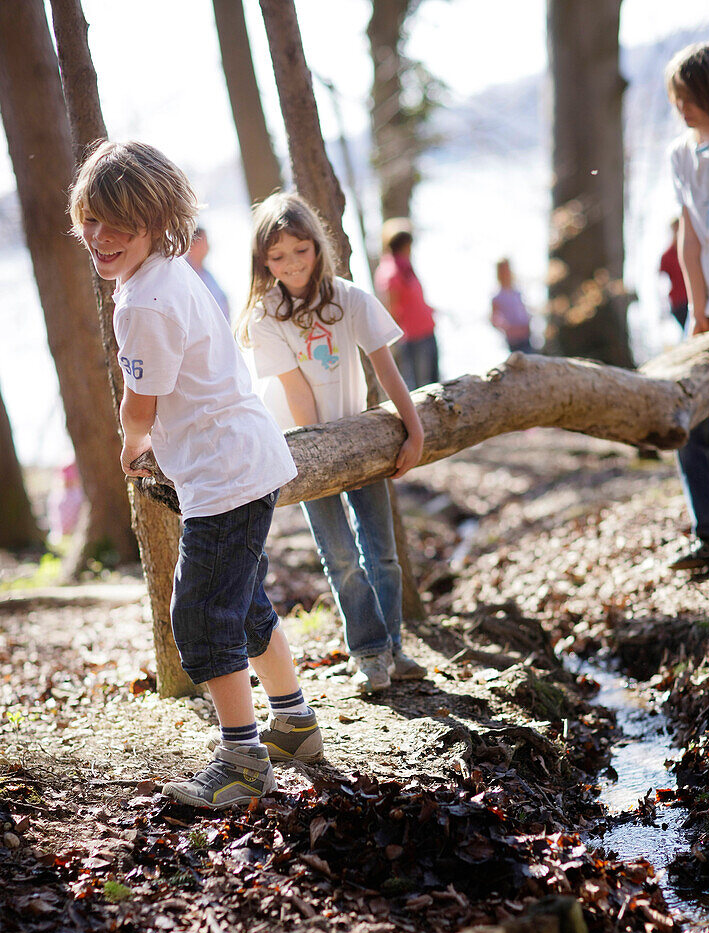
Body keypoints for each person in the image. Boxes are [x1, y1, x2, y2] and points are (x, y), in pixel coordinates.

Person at [69, 141, 323, 810]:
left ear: (157, 221)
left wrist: (131, 441)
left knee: (201, 616)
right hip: (240, 459)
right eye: (90, 219)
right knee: (241, 602)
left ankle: (241, 760)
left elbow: (142, 401)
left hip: (224, 473)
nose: (99, 236)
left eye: (118, 223)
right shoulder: (165, 273)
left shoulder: (142, 303)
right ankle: (293, 725)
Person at [239, 192, 426, 695]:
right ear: (263, 262)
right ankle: (368, 653)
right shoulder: (266, 315)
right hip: (304, 452)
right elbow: (297, 393)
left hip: (361, 442)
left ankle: (392, 648)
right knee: (341, 556)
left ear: (317, 247)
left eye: (300, 251)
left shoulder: (349, 298)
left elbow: (386, 367)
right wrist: (324, 455)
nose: (292, 265)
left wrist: (415, 429)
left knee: (381, 553)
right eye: (277, 257)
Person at [665, 43, 709, 570]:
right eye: (677, 98)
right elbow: (690, 234)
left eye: (691, 97)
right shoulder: (681, 155)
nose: (684, 108)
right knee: (693, 408)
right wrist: (698, 307)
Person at [374, 218, 439, 391]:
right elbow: (392, 307)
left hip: (426, 330)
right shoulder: (390, 272)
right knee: (421, 386)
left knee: (435, 383)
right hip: (412, 338)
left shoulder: (406, 267)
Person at [186, 225, 230, 321]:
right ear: (192, 245)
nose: (208, 247)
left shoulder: (206, 274)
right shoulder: (183, 273)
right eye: (204, 242)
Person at [490, 258, 533, 353]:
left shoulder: (517, 292)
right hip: (513, 339)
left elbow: (524, 310)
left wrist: (528, 324)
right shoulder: (497, 296)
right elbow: (494, 319)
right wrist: (507, 328)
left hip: (526, 335)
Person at [659, 218, 689, 330]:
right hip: (679, 302)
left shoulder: (692, 249)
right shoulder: (666, 256)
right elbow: (661, 282)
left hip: (696, 298)